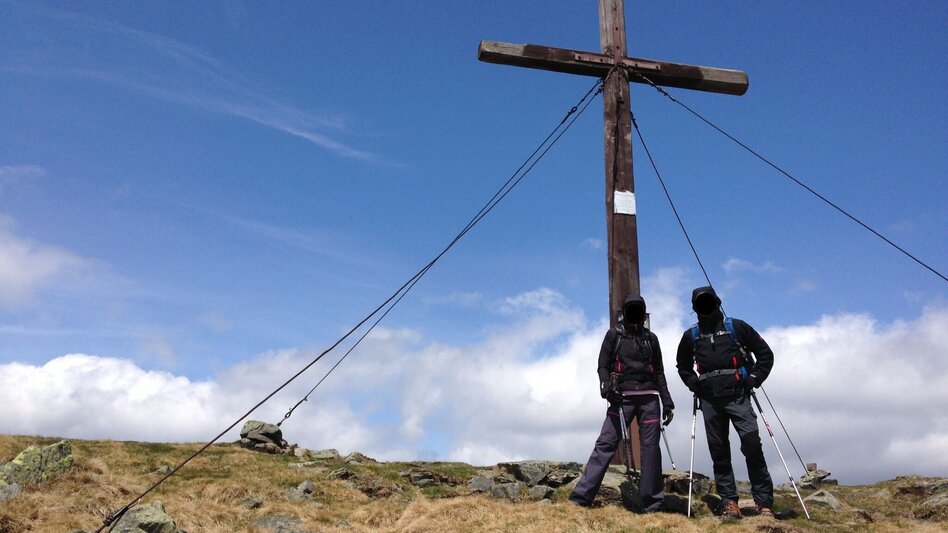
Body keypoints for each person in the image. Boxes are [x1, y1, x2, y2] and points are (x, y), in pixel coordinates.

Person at [676, 286, 775, 519]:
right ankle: (729, 502)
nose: (705, 306)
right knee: (719, 451)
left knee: (752, 444)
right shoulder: (691, 336)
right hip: (709, 400)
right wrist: (694, 383)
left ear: (717, 301)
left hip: (738, 395)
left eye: (708, 301)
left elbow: (765, 354)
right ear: (694, 308)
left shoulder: (737, 327)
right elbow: (682, 366)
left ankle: (764, 503)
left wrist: (754, 379)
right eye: (700, 303)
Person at [569, 295, 675, 512]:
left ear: (644, 313)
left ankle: (653, 505)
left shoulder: (651, 339)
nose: (635, 313)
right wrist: (606, 389)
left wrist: (667, 401)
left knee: (651, 450)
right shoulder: (614, 334)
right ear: (625, 312)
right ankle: (580, 499)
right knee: (606, 443)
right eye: (631, 309)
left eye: (638, 310)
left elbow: (659, 372)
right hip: (622, 398)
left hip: (649, 398)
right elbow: (602, 365)